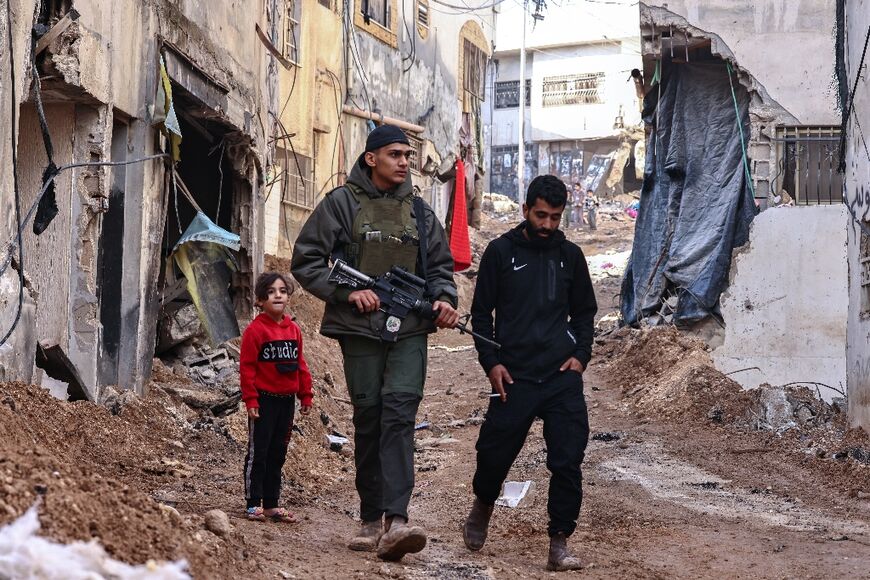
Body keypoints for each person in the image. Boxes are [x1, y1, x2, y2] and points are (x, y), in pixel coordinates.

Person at [291, 125, 459, 561]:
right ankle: (370, 516)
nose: (405, 161)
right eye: (396, 154)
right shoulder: (342, 204)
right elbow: (306, 260)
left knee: (400, 417)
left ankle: (397, 519)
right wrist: (348, 293)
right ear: (371, 158)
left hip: (408, 330)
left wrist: (443, 300)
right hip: (360, 328)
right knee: (370, 417)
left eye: (407, 154)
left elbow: (440, 267)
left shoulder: (421, 214)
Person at [462, 175, 597, 571]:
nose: (548, 225)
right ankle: (483, 506)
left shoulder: (570, 256)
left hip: (560, 376)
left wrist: (581, 356)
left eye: (555, 217)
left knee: (568, 460)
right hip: (513, 375)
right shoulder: (501, 252)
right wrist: (492, 364)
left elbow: (586, 313)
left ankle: (559, 544)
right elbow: (481, 315)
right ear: (525, 210)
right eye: (541, 216)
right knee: (493, 454)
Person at [240, 272, 313, 523]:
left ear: (288, 297)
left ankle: (271, 504)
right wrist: (251, 400)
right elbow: (247, 368)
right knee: (258, 452)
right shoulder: (255, 331)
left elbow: (300, 364)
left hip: (286, 401)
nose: (278, 295)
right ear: (260, 300)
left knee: (278, 453)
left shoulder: (293, 329)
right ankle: (253, 503)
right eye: (271, 292)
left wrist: (306, 395)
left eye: (282, 291)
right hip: (264, 401)